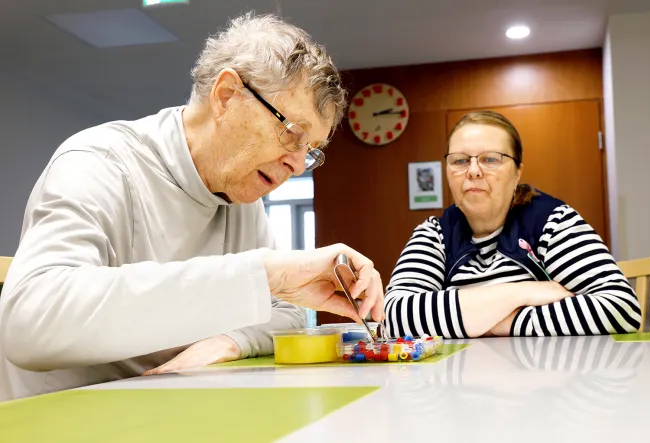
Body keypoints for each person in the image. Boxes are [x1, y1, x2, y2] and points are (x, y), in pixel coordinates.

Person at [0, 12, 384, 401]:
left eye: (311, 150)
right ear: (227, 96)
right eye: (293, 134)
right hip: (65, 416)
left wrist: (231, 340)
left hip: (168, 408)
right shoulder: (98, 162)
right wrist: (262, 273)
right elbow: (30, 322)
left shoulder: (238, 194)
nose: (299, 164)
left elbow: (285, 313)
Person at [384, 111, 641, 338]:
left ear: (517, 171)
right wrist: (522, 293)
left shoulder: (552, 222)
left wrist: (498, 323)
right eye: (460, 160)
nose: (473, 171)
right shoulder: (434, 235)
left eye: (491, 159)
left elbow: (620, 308)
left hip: (549, 384)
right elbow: (394, 318)